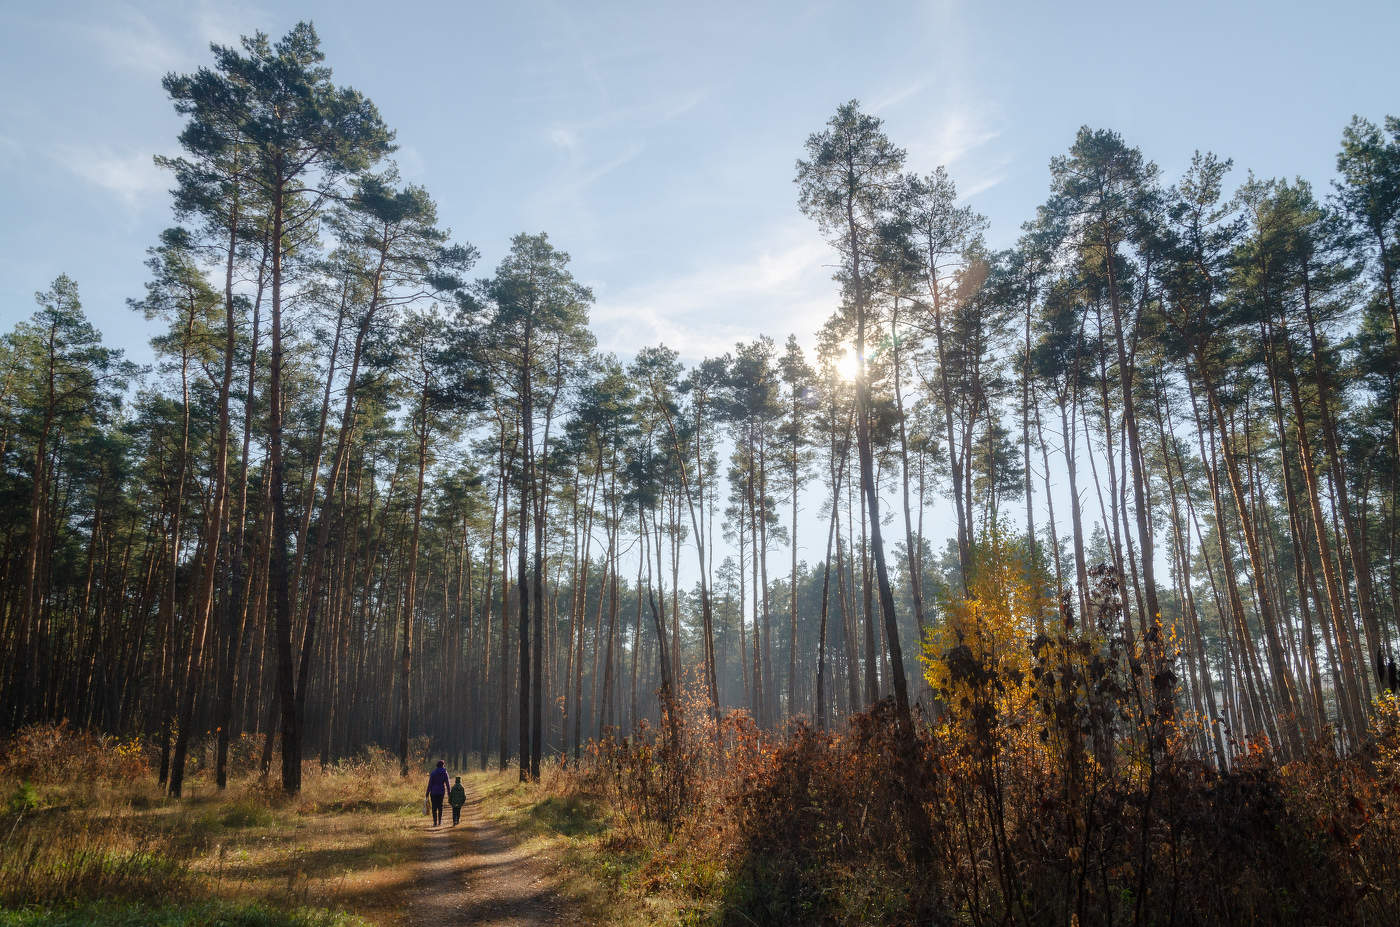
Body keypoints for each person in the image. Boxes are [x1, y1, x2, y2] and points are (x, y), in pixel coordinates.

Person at [426, 760, 449, 827]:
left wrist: (427, 792)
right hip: (441, 792)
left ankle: (435, 822)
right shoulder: (445, 772)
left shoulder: (433, 773)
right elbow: (447, 784)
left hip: (433, 792)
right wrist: (449, 792)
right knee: (440, 806)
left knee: (434, 807)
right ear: (443, 765)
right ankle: (440, 821)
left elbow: (430, 784)